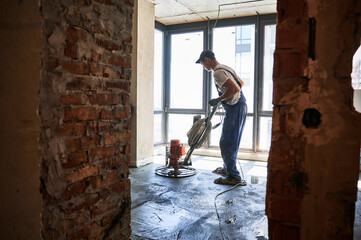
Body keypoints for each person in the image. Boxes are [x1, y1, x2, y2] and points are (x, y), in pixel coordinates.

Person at [196, 50, 247, 186]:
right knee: (229, 141)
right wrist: (227, 97)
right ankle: (227, 169)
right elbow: (240, 83)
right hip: (238, 106)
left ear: (206, 59)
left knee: (227, 142)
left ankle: (233, 177)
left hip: (235, 108)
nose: (203, 67)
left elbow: (235, 89)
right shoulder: (226, 67)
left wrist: (219, 98)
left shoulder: (217, 72)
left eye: (202, 64)